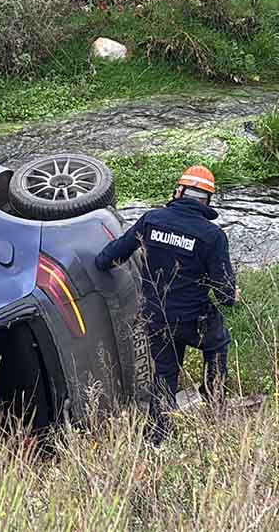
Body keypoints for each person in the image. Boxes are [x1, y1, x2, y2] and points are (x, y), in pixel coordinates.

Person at [95, 165, 238, 442]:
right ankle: (216, 407)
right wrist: (233, 293)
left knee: (164, 375)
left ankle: (157, 438)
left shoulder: (152, 220)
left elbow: (108, 259)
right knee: (217, 345)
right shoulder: (212, 236)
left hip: (156, 317)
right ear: (207, 200)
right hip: (195, 320)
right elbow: (225, 296)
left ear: (179, 191)